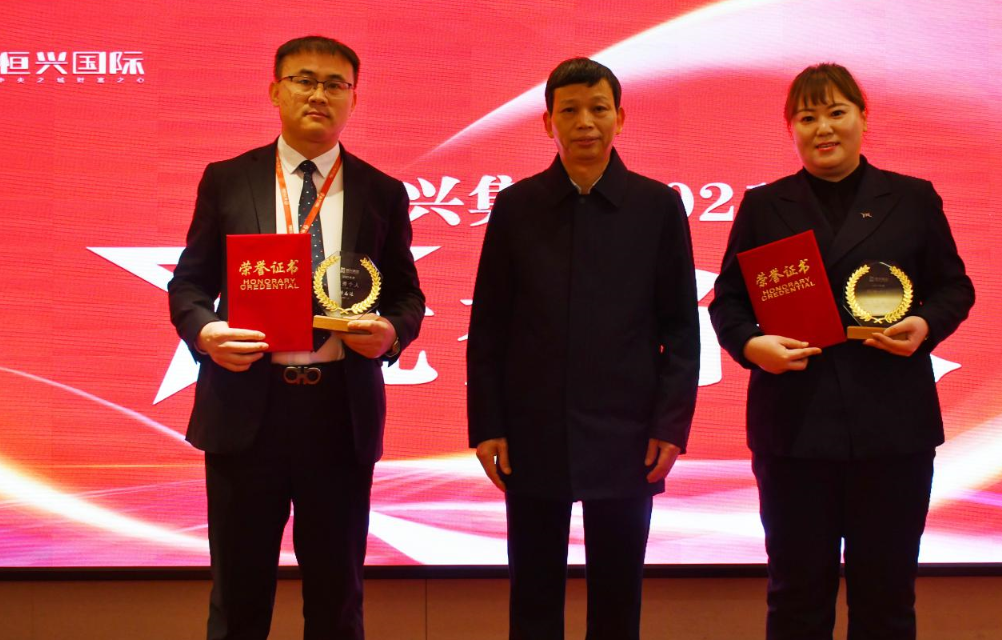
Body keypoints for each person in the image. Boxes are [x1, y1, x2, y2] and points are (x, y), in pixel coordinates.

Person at [168, 35, 425, 640]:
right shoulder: (228, 180)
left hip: (338, 412)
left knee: (337, 598)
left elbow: (407, 296)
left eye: (335, 85)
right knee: (238, 596)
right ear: (275, 91)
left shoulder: (381, 191)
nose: (319, 95)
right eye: (304, 80)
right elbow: (189, 284)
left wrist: (391, 331)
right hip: (245, 408)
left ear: (354, 99)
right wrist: (206, 332)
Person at [709, 63, 975, 640]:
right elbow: (727, 301)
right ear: (791, 129)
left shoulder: (911, 198)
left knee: (886, 600)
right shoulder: (764, 205)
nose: (823, 128)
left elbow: (955, 287)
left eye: (836, 112)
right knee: (796, 599)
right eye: (807, 118)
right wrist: (753, 345)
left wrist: (924, 324)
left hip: (892, 427)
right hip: (793, 428)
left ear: (862, 117)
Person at [466, 57, 700, 640]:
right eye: (569, 111)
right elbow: (489, 327)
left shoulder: (656, 206)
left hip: (628, 432)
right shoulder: (516, 207)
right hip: (532, 430)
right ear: (548, 122)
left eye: (598, 109)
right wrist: (488, 425)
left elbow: (681, 328)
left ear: (621, 117)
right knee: (533, 597)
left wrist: (670, 426)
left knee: (618, 600)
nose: (585, 123)